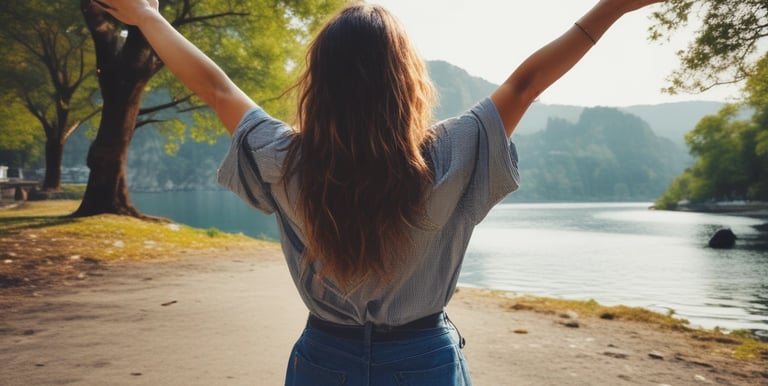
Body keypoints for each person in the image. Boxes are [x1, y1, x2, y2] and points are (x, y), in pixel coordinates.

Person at [93, 0, 666, 385]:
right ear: (408, 81)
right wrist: (612, 7)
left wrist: (146, 15)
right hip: (424, 360)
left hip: (325, 358)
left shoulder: (286, 158)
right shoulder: (450, 152)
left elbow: (217, 90)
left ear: (320, 83)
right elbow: (525, 83)